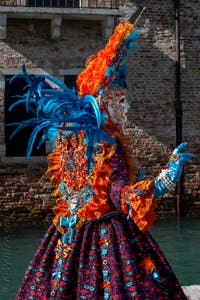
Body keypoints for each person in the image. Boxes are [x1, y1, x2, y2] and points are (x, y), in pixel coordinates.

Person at [13, 9, 192, 300]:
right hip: (106, 241)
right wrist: (167, 178)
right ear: (103, 100)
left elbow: (69, 192)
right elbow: (122, 197)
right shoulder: (107, 145)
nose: (126, 105)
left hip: (66, 238)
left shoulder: (69, 141)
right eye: (119, 98)